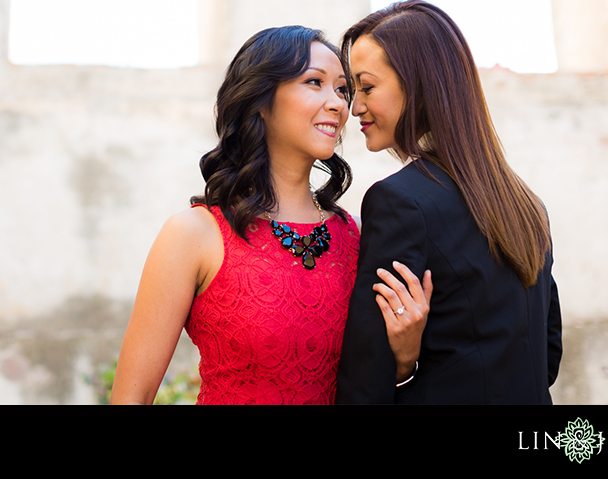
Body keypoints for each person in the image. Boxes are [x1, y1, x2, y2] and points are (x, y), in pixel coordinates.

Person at [111, 25, 431, 404]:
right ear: (261, 99)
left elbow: (367, 386)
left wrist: (406, 357)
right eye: (315, 82)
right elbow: (131, 398)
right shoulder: (194, 234)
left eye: (343, 89)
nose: (339, 104)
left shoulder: (359, 237)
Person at [335, 0, 562, 404]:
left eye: (367, 87)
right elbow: (547, 360)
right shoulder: (529, 206)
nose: (355, 107)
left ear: (418, 84)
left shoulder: (399, 202)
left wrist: (406, 366)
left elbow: (366, 382)